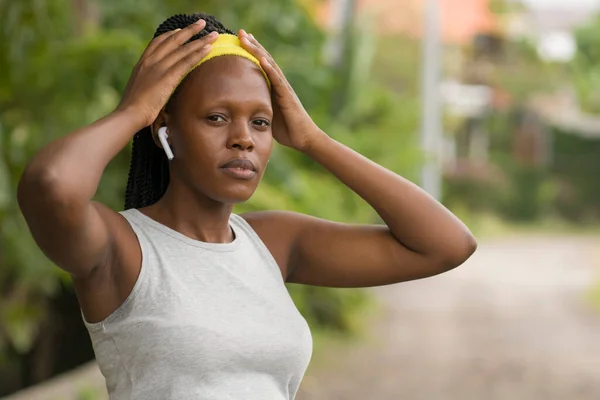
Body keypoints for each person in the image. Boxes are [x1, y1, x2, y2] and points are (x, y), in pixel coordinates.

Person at [17, 12, 477, 400]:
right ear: (166, 127)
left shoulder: (273, 244)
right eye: (216, 117)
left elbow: (445, 245)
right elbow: (51, 184)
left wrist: (313, 140)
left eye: (260, 122)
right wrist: (133, 112)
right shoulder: (121, 248)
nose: (243, 138)